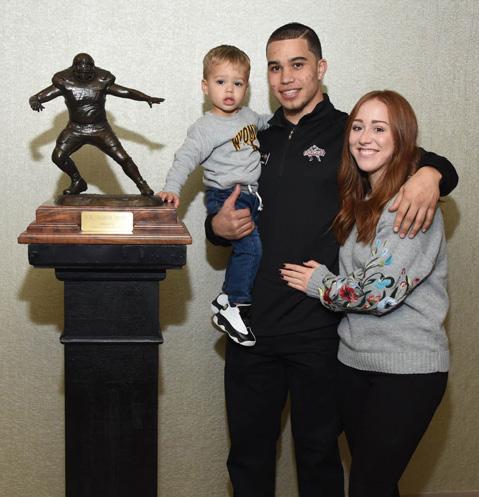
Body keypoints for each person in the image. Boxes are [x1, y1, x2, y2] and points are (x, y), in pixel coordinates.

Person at [205, 23, 458, 497]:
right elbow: (225, 208)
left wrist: (431, 175)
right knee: (247, 458)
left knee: (319, 458)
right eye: (275, 67)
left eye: (298, 64)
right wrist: (216, 228)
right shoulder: (253, 135)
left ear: (320, 68)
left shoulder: (352, 132)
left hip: (323, 332)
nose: (286, 78)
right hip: (251, 326)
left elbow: (420, 158)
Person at [280, 90, 449, 497]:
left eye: (379, 128)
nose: (364, 138)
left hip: (406, 372)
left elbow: (378, 292)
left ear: (401, 139)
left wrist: (320, 283)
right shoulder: (364, 202)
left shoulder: (410, 204)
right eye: (357, 127)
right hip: (355, 364)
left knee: (368, 485)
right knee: (375, 485)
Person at [159, 45, 270, 347]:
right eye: (221, 82)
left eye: (238, 83)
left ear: (246, 87)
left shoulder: (248, 116)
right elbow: (185, 158)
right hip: (226, 196)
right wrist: (172, 187)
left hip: (251, 195)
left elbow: (268, 123)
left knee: (248, 250)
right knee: (251, 248)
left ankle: (225, 298)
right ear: (205, 87)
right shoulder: (205, 128)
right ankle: (233, 305)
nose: (229, 90)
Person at [29, 53, 164, 195]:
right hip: (75, 128)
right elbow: (40, 96)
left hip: (100, 128)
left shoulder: (102, 81)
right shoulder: (65, 82)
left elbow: (126, 92)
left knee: (122, 158)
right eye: (80, 68)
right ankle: (77, 181)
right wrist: (34, 100)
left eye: (87, 68)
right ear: (73, 69)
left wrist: (146, 98)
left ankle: (142, 185)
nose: (84, 71)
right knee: (58, 156)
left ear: (93, 69)